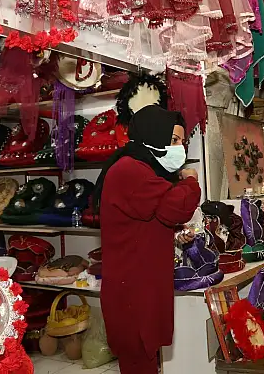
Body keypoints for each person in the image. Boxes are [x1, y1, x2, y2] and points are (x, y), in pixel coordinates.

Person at [95, 105, 201, 373]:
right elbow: (175, 207)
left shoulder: (143, 169)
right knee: (138, 361)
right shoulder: (129, 170)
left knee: (145, 359)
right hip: (132, 292)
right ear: (155, 134)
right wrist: (191, 182)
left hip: (141, 285)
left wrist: (174, 235)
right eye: (174, 140)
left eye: (182, 142)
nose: (180, 147)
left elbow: (149, 217)